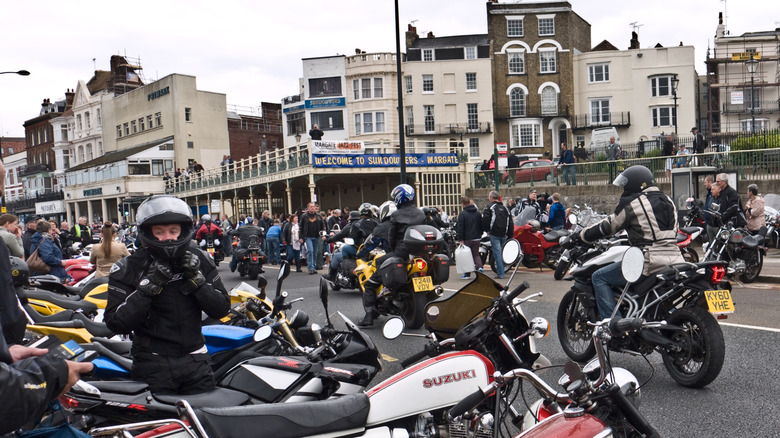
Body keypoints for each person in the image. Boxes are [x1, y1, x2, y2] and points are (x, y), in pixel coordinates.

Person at [105, 195, 229, 395]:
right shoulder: (128, 267)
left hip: (196, 360)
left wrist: (197, 281)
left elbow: (221, 308)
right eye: (159, 232)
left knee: (203, 414)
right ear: (148, 233)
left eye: (173, 231)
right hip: (152, 364)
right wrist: (148, 287)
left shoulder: (200, 258)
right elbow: (115, 323)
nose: (167, 237)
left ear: (183, 231)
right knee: (159, 416)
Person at [570, 165, 683, 320]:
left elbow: (607, 227)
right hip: (677, 260)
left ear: (635, 184)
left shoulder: (633, 203)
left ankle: (611, 324)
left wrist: (580, 236)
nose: (624, 189)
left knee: (598, 277)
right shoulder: (669, 200)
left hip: (648, 261)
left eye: (625, 186)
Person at [358, 184, 425, 327]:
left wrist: (393, 250)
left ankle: (369, 316)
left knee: (370, 282)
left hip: (401, 251)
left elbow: (392, 235)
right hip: (421, 252)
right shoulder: (421, 213)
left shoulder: (396, 215)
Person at [482, 190, 514, 279]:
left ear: (491, 197)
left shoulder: (489, 207)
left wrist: (487, 230)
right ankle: (503, 269)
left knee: (497, 254)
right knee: (502, 253)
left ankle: (501, 273)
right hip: (504, 234)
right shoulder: (505, 208)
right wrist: (510, 235)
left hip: (494, 233)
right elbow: (510, 223)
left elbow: (485, 219)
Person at [456, 196, 483, 279]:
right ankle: (479, 267)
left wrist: (461, 238)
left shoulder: (462, 214)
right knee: (476, 254)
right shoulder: (478, 213)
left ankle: (467, 274)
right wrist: (480, 234)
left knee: (467, 256)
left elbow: (461, 227)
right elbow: (481, 224)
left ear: (463, 204)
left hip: (467, 238)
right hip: (477, 237)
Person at [301, 202, 326, 274]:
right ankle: (310, 268)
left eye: (313, 206)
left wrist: (323, 234)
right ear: (308, 208)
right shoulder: (304, 216)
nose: (312, 208)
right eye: (311, 207)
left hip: (316, 236)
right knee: (310, 251)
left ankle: (314, 267)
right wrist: (301, 237)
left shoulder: (318, 216)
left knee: (315, 252)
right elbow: (301, 227)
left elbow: (322, 226)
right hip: (308, 236)